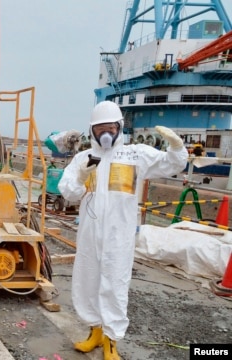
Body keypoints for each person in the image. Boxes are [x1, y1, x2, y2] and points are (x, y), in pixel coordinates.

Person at [57, 101, 187, 360]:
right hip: (91, 233)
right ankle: (94, 331)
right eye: (100, 128)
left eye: (111, 127)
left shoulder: (135, 154)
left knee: (115, 284)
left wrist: (177, 146)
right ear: (93, 131)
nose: (106, 134)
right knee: (88, 281)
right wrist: (82, 177)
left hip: (120, 234)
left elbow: (172, 164)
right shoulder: (84, 158)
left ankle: (111, 341)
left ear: (119, 128)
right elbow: (67, 191)